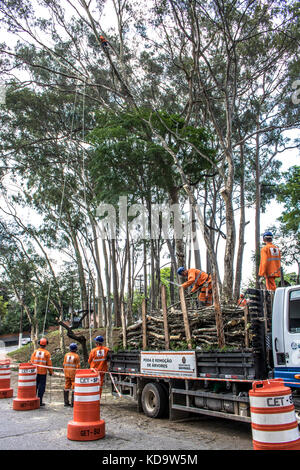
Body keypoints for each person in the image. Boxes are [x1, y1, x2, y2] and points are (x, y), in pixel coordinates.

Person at [30, 337, 53, 407]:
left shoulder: (35, 352)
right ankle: (39, 401)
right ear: (46, 344)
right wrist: (51, 372)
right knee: (41, 387)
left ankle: (33, 400)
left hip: (35, 372)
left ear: (39, 343)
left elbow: (31, 362)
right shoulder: (47, 353)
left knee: (35, 386)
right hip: (42, 373)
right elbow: (49, 364)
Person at [63, 343, 80, 407]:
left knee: (67, 386)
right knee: (74, 386)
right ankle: (73, 403)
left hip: (66, 372)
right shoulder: (76, 356)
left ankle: (66, 402)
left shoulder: (66, 355)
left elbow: (64, 364)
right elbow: (78, 366)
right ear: (76, 349)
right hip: (73, 373)